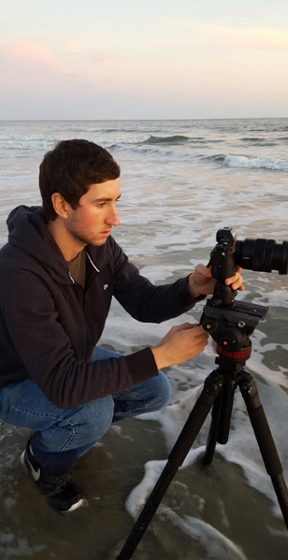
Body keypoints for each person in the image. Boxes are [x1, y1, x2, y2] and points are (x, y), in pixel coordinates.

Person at [0, 139, 243, 512]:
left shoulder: (99, 247)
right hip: (13, 378)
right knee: (90, 411)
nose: (115, 218)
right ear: (61, 204)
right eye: (101, 204)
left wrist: (194, 287)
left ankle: (63, 432)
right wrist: (160, 354)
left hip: (66, 357)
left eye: (115, 201)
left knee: (153, 389)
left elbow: (144, 302)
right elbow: (64, 386)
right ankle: (42, 461)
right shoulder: (19, 272)